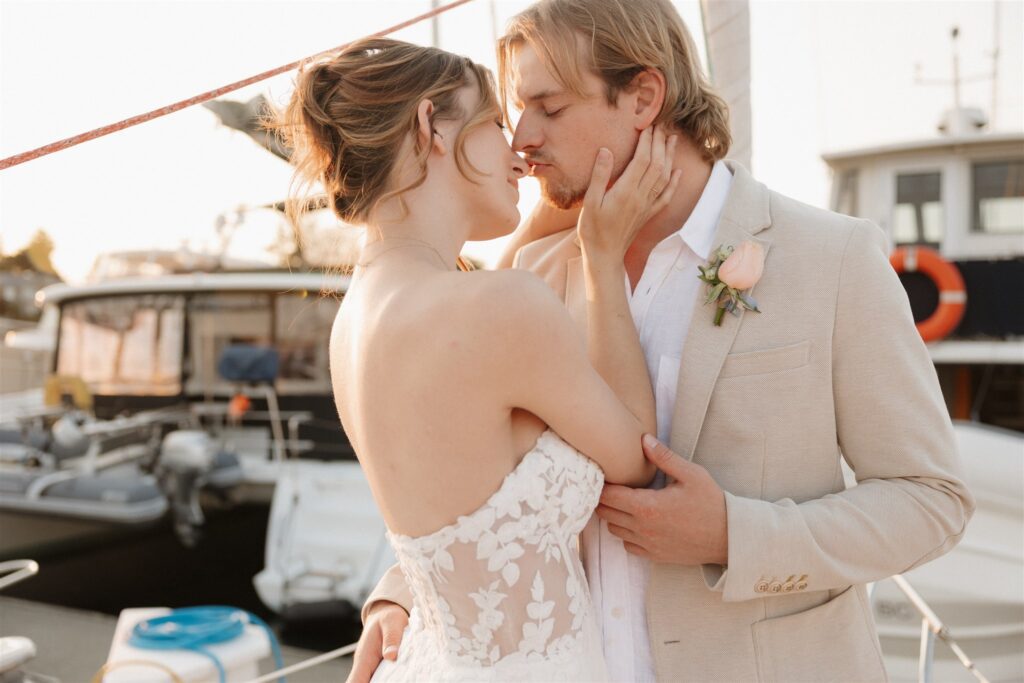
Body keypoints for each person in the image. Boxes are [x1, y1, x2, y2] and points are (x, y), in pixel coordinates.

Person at [353, 1, 975, 682]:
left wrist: (732, 535)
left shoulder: (833, 258)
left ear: (644, 96)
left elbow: (930, 498)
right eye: (514, 110)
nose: (521, 139)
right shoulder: (535, 273)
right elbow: (485, 491)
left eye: (549, 108)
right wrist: (405, 596)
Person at [279, 36, 685, 681]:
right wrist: (603, 262)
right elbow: (638, 458)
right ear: (428, 128)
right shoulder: (499, 309)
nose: (521, 153)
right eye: (495, 122)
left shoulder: (356, 319)